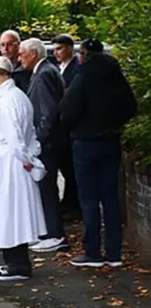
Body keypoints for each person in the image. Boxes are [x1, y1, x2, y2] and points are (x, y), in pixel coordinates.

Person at [61, 39, 137, 268]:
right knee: (110, 197)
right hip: (110, 140)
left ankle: (92, 251)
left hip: (86, 141)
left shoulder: (83, 77)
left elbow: (68, 110)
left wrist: (74, 127)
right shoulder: (115, 76)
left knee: (89, 199)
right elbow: (131, 106)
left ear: (84, 55)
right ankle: (114, 253)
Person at [0, 57, 47, 281]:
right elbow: (30, 134)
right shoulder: (17, 96)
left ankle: (17, 264)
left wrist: (27, 159)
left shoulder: (7, 101)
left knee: (9, 211)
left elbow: (15, 139)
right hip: (12, 159)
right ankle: (15, 261)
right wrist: (31, 155)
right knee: (13, 210)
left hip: (9, 162)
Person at [19, 38, 69, 253]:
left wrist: (38, 140)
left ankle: (55, 234)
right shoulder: (46, 71)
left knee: (47, 188)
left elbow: (48, 112)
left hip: (47, 144)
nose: (19, 58)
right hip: (51, 141)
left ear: (33, 54)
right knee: (46, 188)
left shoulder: (44, 74)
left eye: (22, 53)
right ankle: (51, 232)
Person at [51, 34, 81, 219]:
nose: (56, 53)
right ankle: (68, 202)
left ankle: (74, 205)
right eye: (54, 49)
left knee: (71, 169)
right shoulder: (58, 68)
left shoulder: (76, 69)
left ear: (70, 48)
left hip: (71, 126)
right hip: (61, 127)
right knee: (66, 168)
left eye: (59, 48)